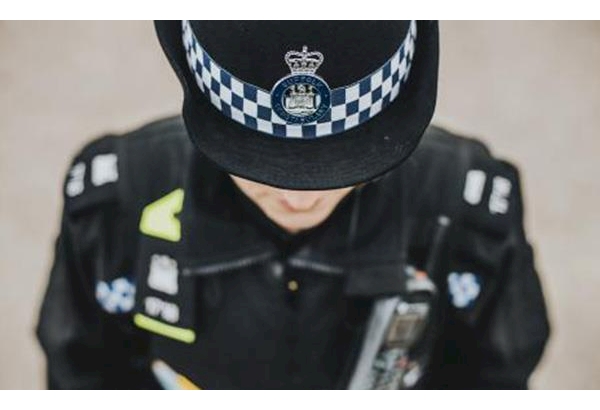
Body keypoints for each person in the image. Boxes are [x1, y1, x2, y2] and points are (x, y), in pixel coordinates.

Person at [36, 20, 550, 389]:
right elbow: (81, 371)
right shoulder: (120, 201)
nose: (298, 199)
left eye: (345, 164)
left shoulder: (463, 209)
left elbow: (497, 374)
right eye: (257, 163)